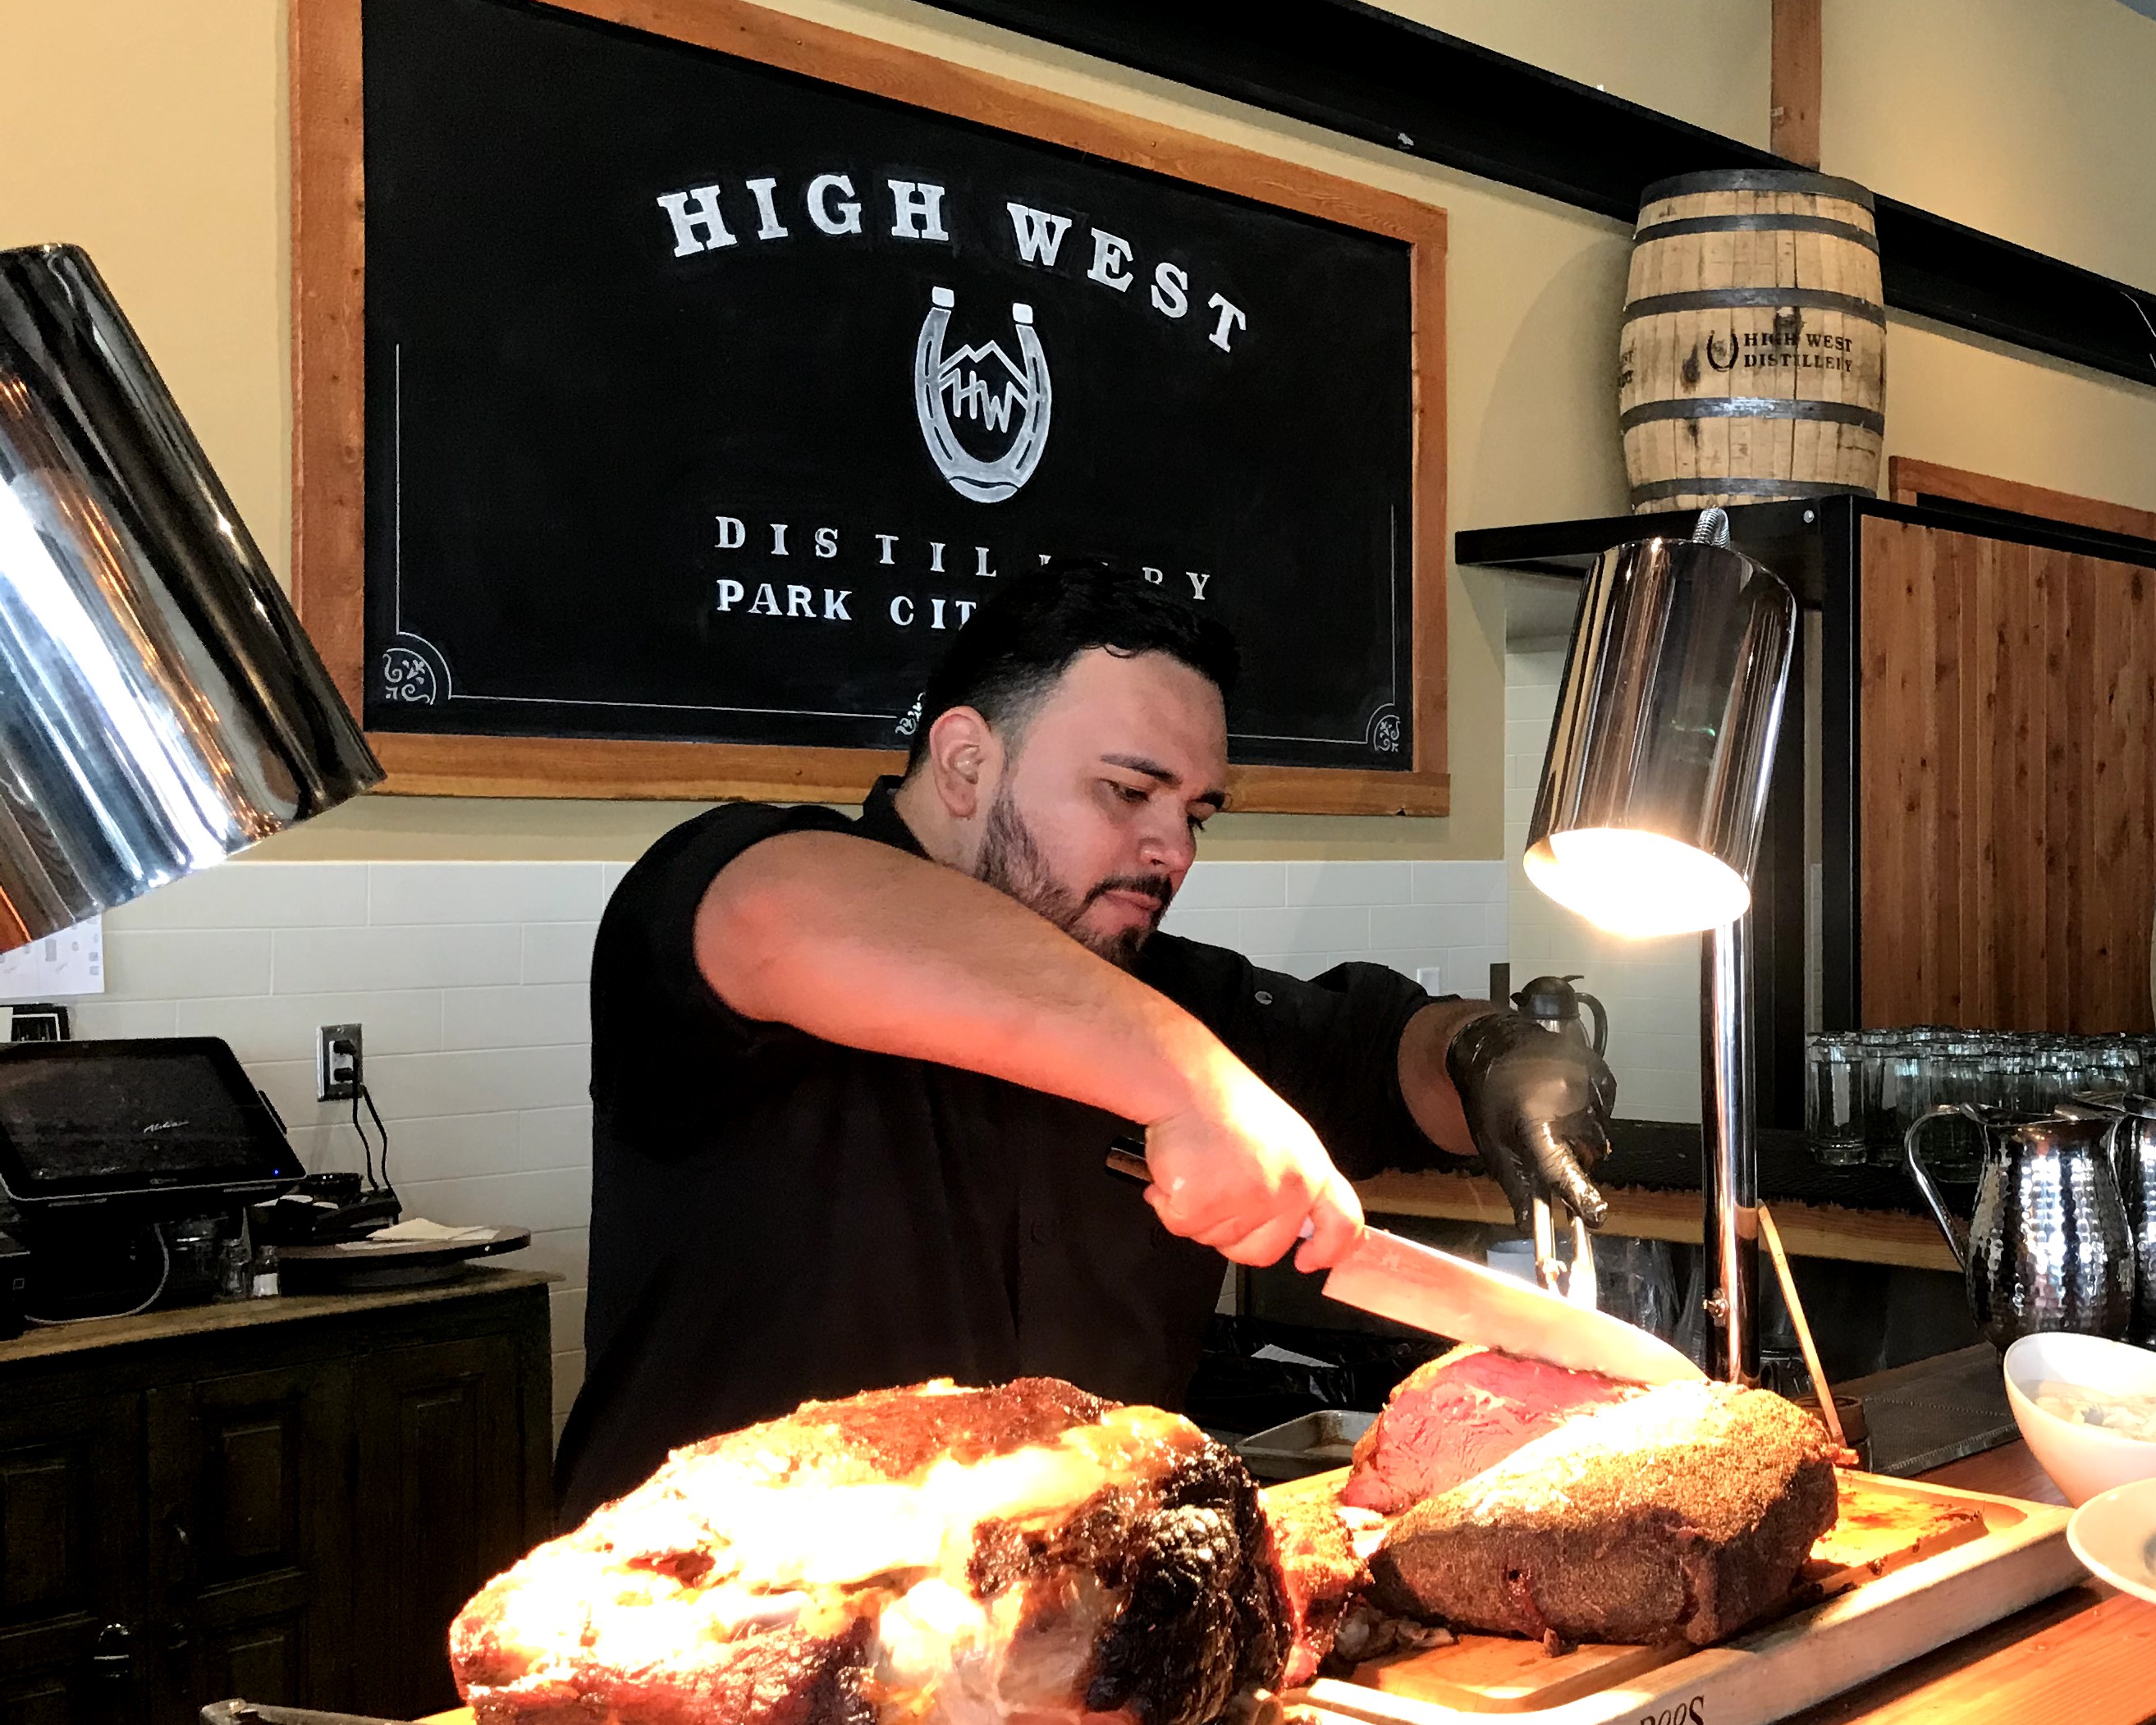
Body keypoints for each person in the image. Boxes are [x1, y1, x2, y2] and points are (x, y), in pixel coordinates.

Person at [552, 561, 1613, 1521]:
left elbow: (1386, 1053)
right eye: (1127, 791)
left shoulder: (1181, 995)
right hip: (700, 1651)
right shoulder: (738, 891)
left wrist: (1488, 1053)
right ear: (964, 763)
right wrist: (1187, 1082)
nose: (1172, 848)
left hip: (1054, 1670)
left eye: (1196, 812)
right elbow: (780, 907)